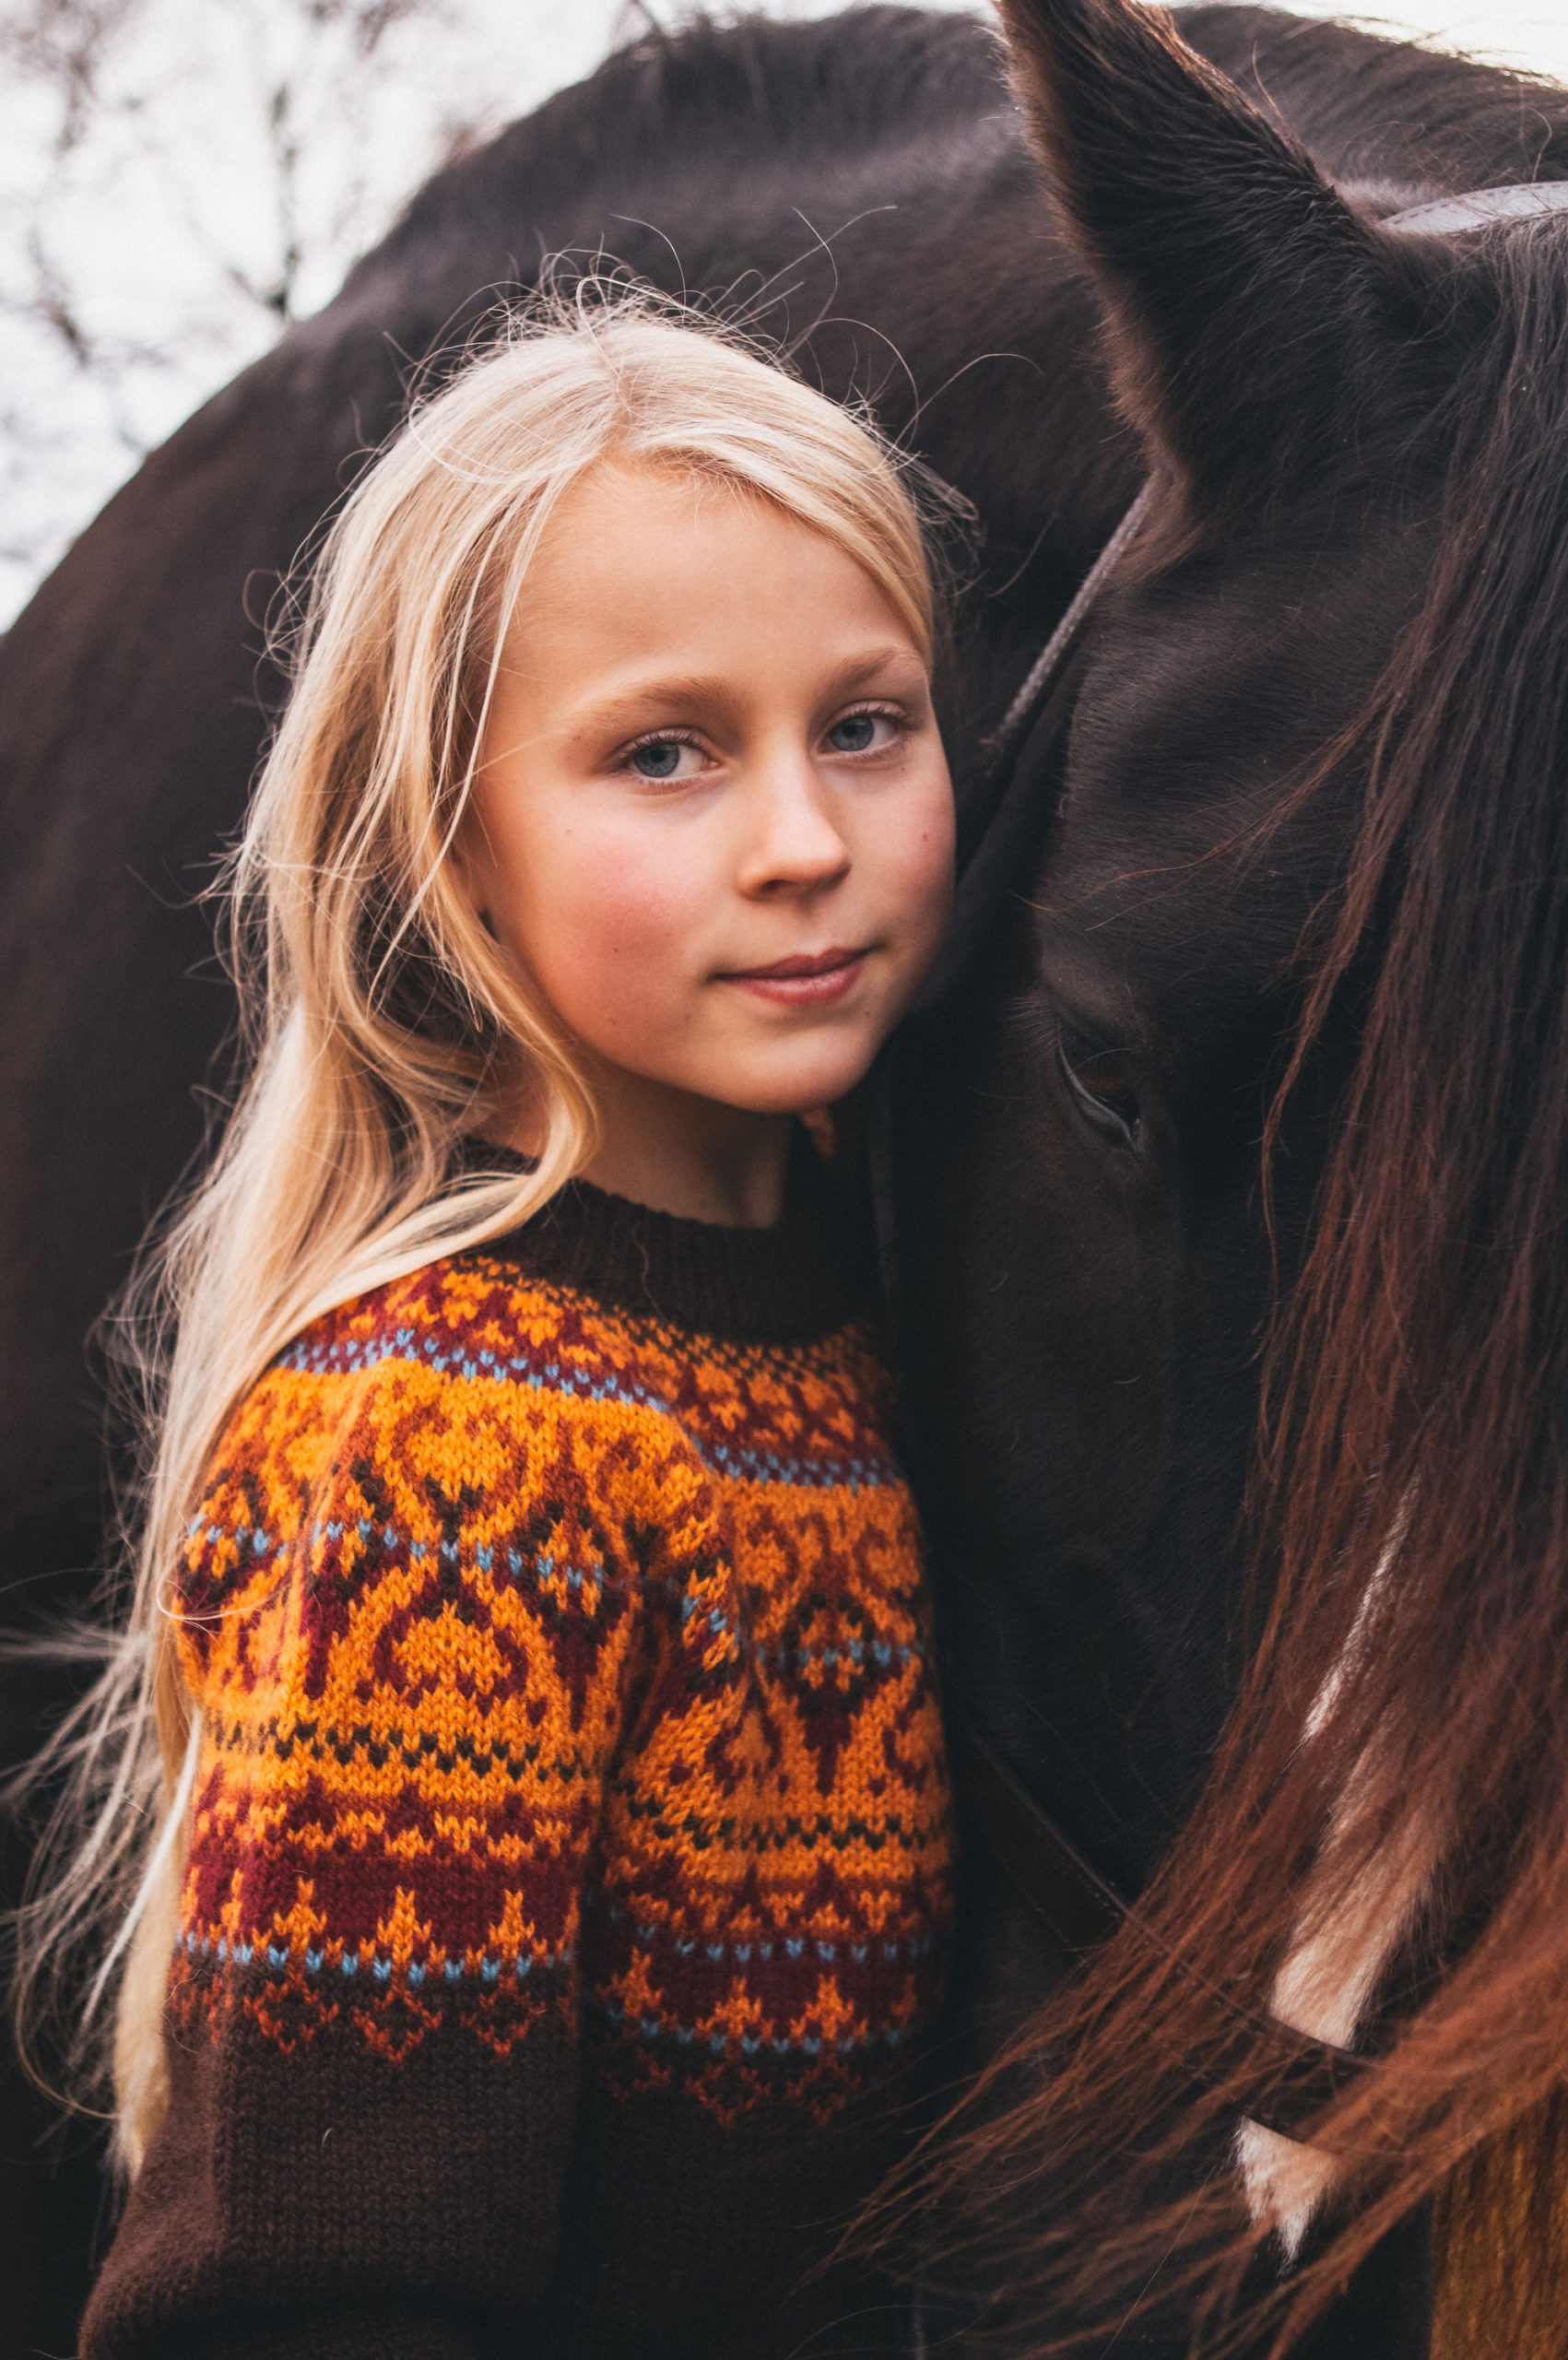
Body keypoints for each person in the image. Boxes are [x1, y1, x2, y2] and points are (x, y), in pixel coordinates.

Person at [23, 298, 961, 2359]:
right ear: (456, 846)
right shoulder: (454, 1434)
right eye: (663, 750)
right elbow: (314, 2289)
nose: (802, 838)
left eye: (866, 721)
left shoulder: (898, 1323)